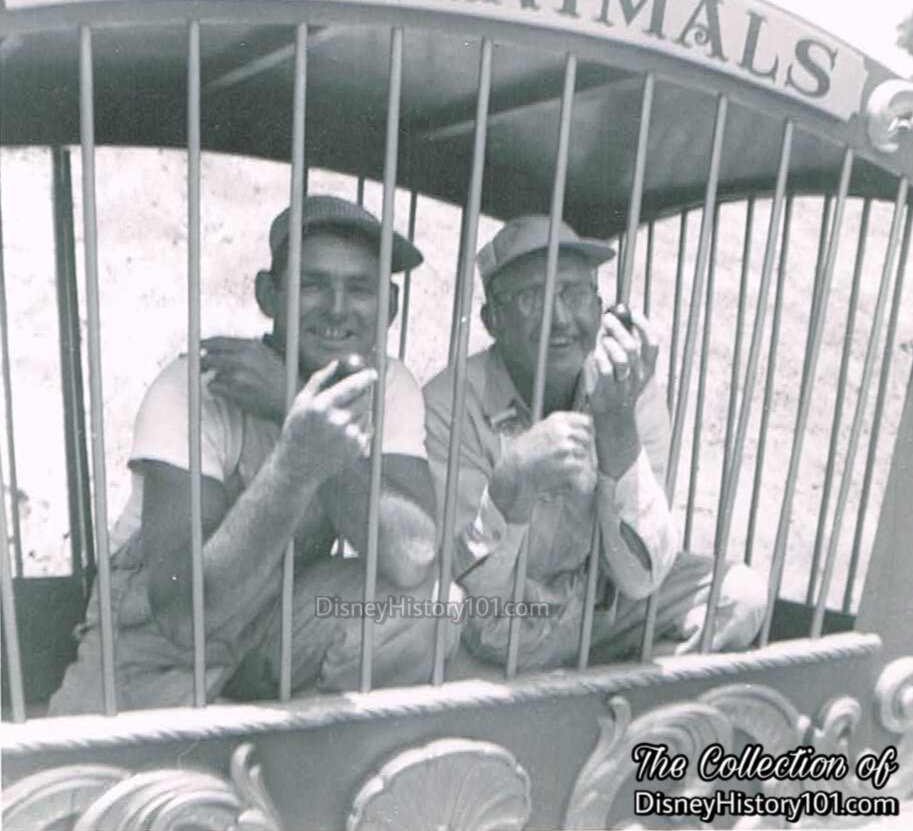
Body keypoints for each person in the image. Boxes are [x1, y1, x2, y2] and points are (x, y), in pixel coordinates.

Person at [50, 195, 459, 714]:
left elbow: (412, 556)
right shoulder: (195, 386)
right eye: (312, 284)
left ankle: (298, 749)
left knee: (432, 605)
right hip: (151, 653)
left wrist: (293, 404)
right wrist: (297, 460)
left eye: (361, 288)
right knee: (120, 791)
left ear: (391, 307)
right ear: (269, 295)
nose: (337, 308)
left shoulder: (387, 383)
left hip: (267, 627)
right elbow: (181, 615)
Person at [423, 214, 767, 671]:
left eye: (574, 293)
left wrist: (617, 421)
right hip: (508, 622)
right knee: (450, 613)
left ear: (600, 305)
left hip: (606, 607)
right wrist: (516, 479)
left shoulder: (627, 386)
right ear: (492, 320)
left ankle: (608, 703)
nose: (560, 318)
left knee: (740, 596)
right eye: (531, 298)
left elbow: (643, 576)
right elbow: (473, 579)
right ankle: (577, 690)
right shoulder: (449, 403)